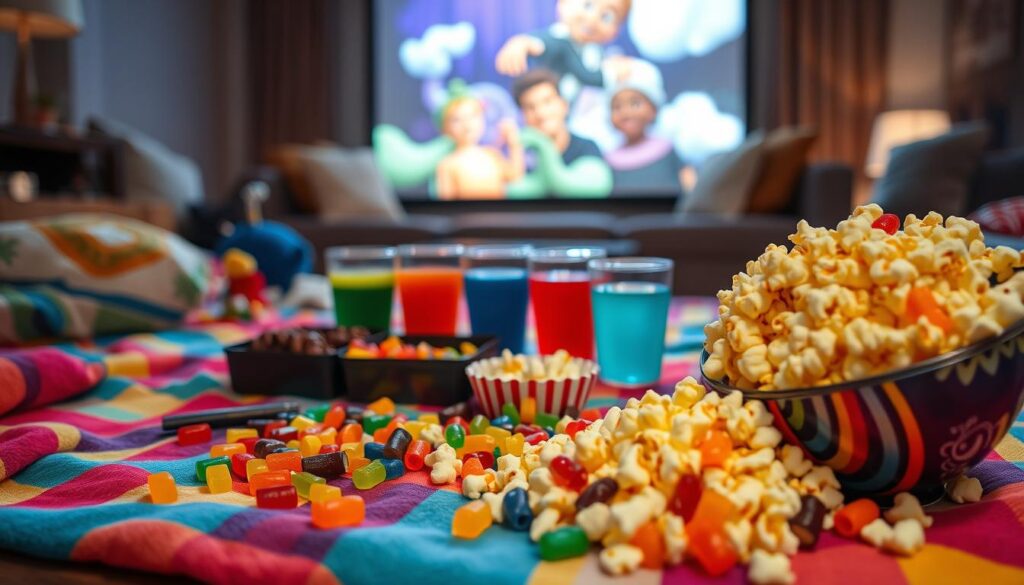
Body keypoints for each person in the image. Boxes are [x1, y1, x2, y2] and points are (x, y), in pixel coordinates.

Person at [495, 0, 632, 103]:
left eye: (606, 16)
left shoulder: (595, 51)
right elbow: (542, 44)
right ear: (563, 3)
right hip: (548, 108)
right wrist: (522, 43)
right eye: (588, 5)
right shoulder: (560, 41)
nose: (592, 19)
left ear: (615, 31)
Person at [604, 59, 686, 195]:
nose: (626, 112)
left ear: (653, 109)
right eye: (617, 107)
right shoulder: (609, 161)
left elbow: (688, 184)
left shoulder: (666, 149)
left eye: (635, 103)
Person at [435, 84, 524, 200]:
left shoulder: (492, 154)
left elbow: (514, 175)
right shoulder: (447, 165)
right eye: (456, 120)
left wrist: (514, 143)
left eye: (472, 116)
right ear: (445, 128)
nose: (466, 124)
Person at [513, 69, 602, 166]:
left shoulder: (588, 150)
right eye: (530, 107)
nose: (540, 113)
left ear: (564, 105)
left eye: (547, 102)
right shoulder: (524, 159)